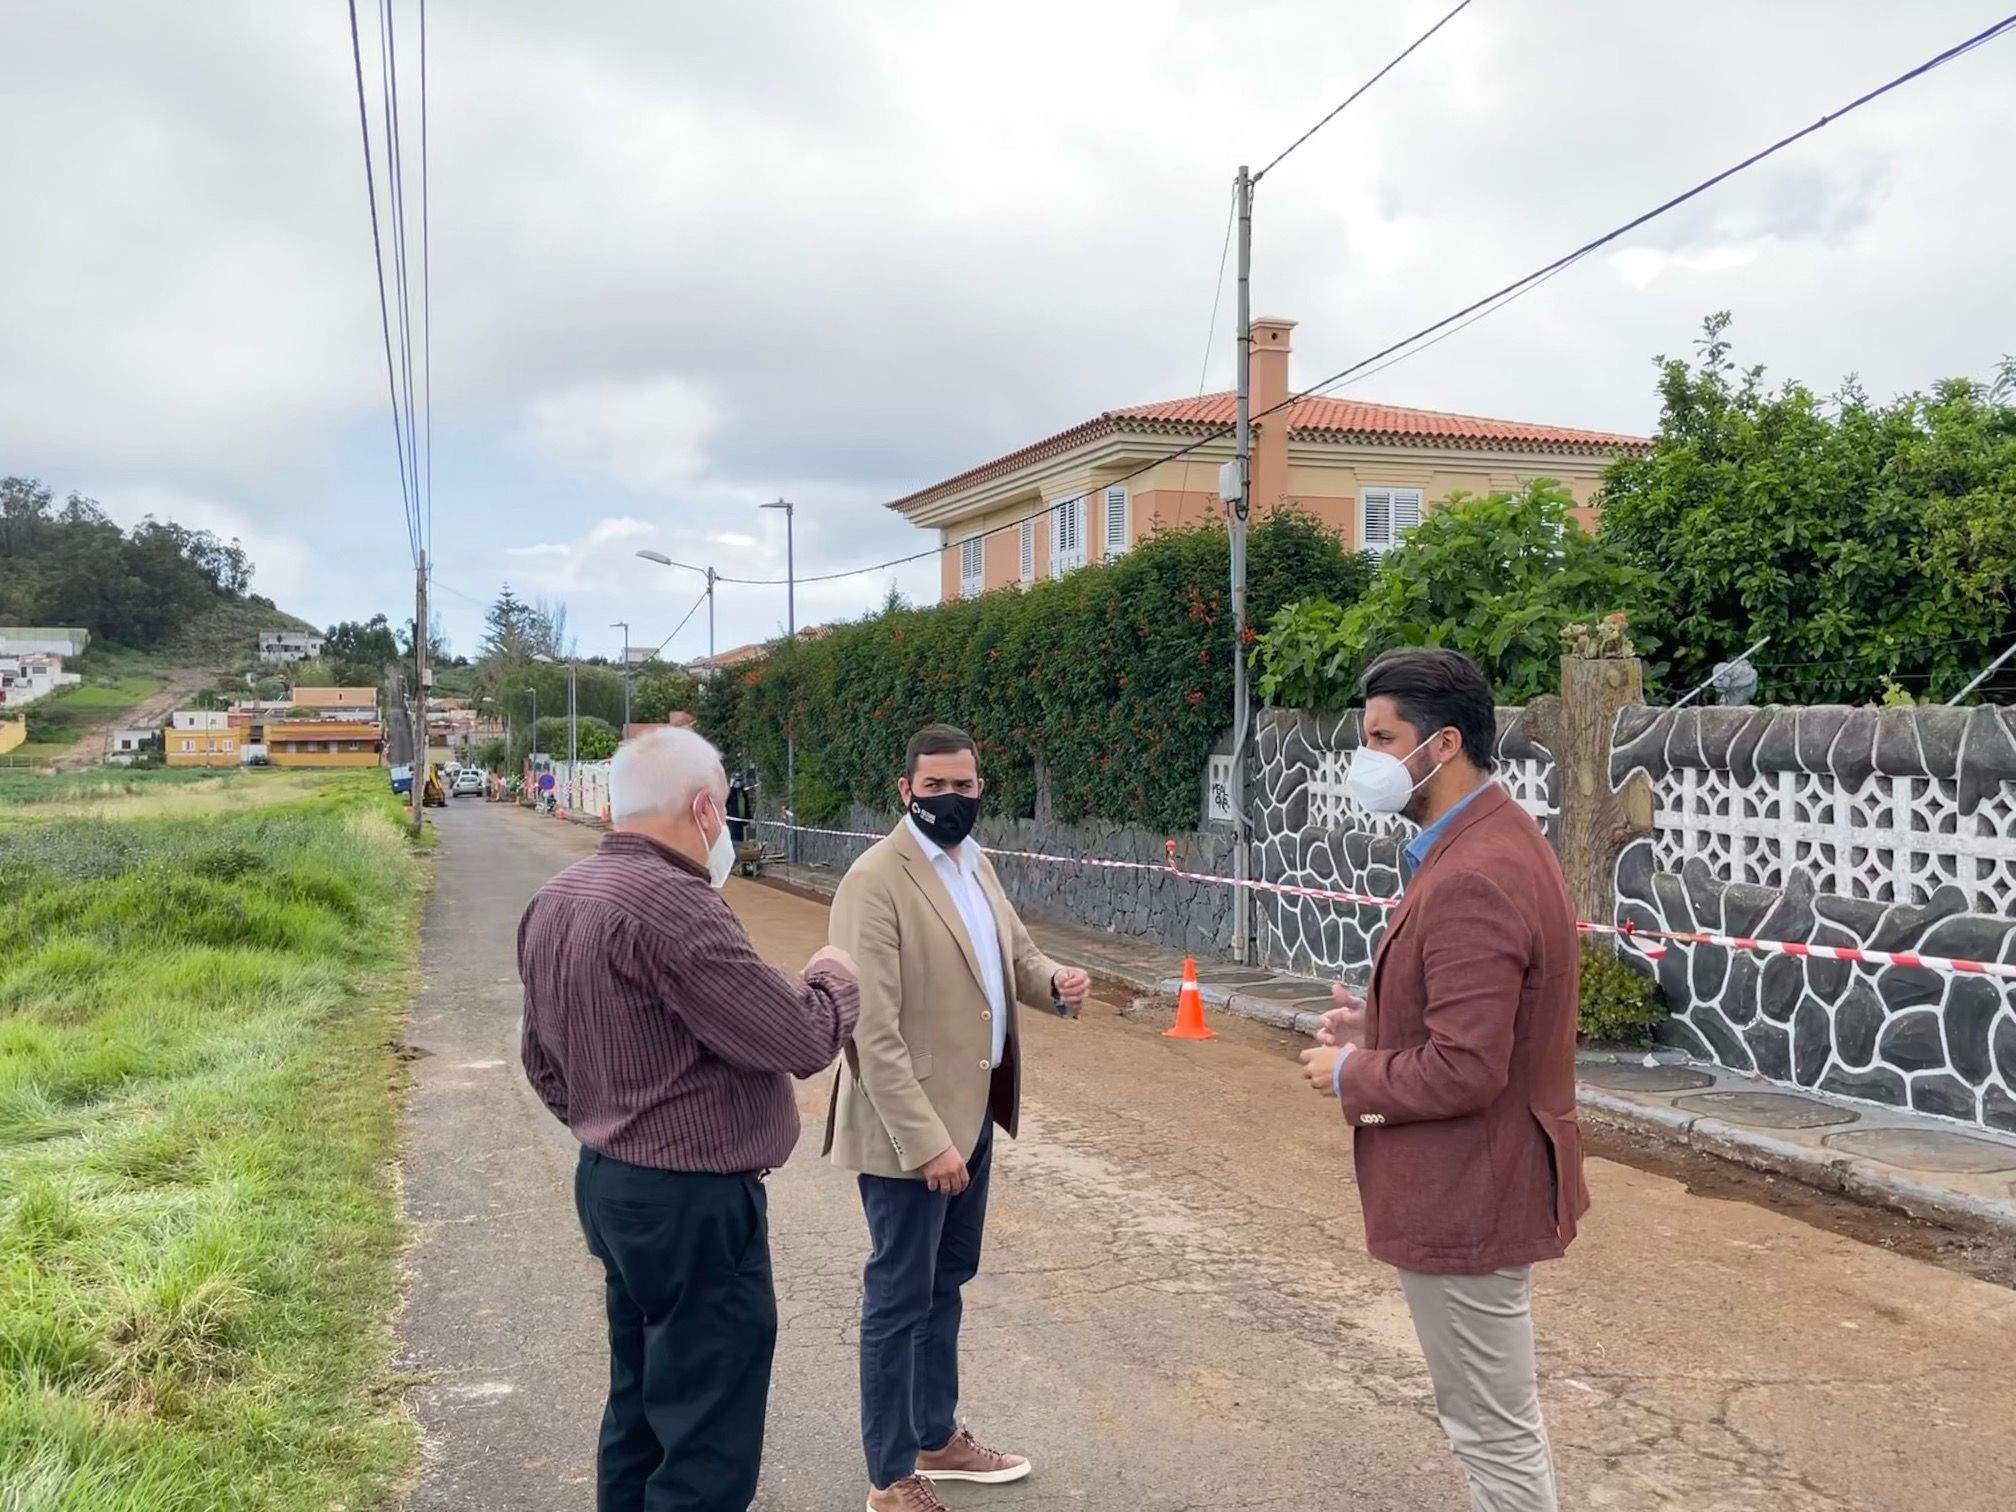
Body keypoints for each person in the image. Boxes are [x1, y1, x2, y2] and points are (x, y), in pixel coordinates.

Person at [518, 725, 861, 1512]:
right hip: (692, 1202)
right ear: (706, 808)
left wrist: (614, 1124)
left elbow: (542, 1059)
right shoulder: (675, 906)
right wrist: (834, 978)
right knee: (707, 1426)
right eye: (727, 809)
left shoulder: (560, 897)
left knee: (640, 1402)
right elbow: (801, 1036)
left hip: (612, 1183)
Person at [1296, 648, 1590, 1512]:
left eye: (1383, 737)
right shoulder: (1484, 841)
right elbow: (1480, 1020)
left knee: (1491, 1430)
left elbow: (1467, 1067)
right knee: (1493, 1420)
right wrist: (1379, 1026)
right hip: (1482, 1183)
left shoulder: (1474, 872)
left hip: (1470, 1193)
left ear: (1444, 742)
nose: (1368, 758)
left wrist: (1354, 1069)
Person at [824, 724, 1092, 1512]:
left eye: (965, 786)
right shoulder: (876, 880)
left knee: (946, 1284)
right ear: (905, 792)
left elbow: (1014, 956)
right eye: (935, 787)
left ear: (981, 789)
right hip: (912, 1133)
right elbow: (869, 1029)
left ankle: (935, 1437)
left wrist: (1056, 985)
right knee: (898, 1298)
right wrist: (927, 1142)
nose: (952, 799)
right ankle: (889, 1475)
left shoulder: (977, 864)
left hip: (971, 1118)